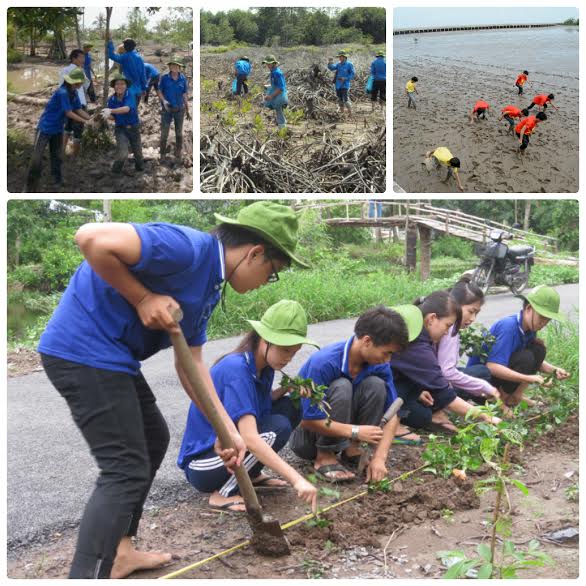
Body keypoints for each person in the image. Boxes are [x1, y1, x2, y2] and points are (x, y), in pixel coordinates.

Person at [37, 201, 309, 578]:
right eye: (273, 273)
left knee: (152, 439)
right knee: (124, 469)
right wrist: (142, 297)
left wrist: (225, 428)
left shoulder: (210, 286)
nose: (268, 282)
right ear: (255, 253)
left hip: (115, 359)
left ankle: (121, 551)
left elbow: (191, 363)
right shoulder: (186, 248)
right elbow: (91, 238)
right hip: (82, 351)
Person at [179, 300, 319, 513]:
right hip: (203, 463)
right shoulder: (237, 370)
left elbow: (257, 406)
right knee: (277, 428)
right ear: (264, 340)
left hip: (231, 452)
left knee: (291, 406)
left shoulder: (264, 366)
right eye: (285, 350)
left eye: (294, 352)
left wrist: (286, 389)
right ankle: (222, 494)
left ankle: (251, 474)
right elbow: (251, 438)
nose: (288, 358)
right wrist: (297, 479)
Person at [290, 305, 421, 483]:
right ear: (367, 341)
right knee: (342, 386)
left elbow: (393, 413)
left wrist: (379, 458)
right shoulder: (324, 363)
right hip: (308, 440)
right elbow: (308, 420)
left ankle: (352, 450)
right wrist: (355, 431)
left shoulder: (379, 365)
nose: (388, 359)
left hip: (346, 433)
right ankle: (325, 455)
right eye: (387, 352)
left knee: (376, 385)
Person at [391, 291, 501, 434]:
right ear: (432, 319)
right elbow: (445, 395)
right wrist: (486, 416)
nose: (446, 333)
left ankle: (399, 416)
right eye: (448, 326)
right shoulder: (417, 344)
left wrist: (417, 393)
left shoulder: (420, 332)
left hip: (392, 385)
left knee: (423, 416)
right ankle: (392, 425)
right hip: (378, 391)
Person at [467, 285, 570, 409]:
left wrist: (554, 370)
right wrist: (528, 379)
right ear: (528, 309)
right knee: (525, 357)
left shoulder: (530, 328)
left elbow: (534, 360)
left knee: (538, 349)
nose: (544, 323)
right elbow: (493, 367)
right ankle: (502, 400)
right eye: (542, 317)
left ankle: (515, 396)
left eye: (547, 320)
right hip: (480, 386)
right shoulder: (509, 327)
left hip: (495, 378)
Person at [25, 67, 90, 192]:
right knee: (36, 158)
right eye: (81, 82)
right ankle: (30, 186)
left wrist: (91, 119)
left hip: (57, 129)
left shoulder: (74, 93)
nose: (82, 84)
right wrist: (85, 121)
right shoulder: (63, 92)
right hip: (45, 128)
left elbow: (78, 109)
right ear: (75, 82)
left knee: (57, 156)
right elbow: (69, 113)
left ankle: (57, 180)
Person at [438, 278, 500, 404]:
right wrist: (484, 386)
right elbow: (447, 372)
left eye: (476, 314)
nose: (472, 319)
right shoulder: (450, 329)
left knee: (478, 373)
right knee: (482, 374)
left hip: (434, 379)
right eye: (471, 312)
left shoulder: (444, 321)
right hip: (434, 384)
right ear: (455, 304)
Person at [104, 73, 144, 174]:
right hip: (120, 129)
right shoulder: (111, 100)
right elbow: (113, 117)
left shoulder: (130, 95)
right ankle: (115, 171)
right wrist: (106, 116)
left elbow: (126, 109)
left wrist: (111, 111)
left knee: (138, 153)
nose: (120, 86)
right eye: (117, 84)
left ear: (126, 86)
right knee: (122, 153)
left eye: (122, 84)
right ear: (114, 86)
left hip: (134, 127)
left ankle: (140, 169)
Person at [156, 57, 190, 162]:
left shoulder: (183, 79)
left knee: (179, 132)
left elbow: (184, 94)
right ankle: (162, 153)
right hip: (167, 109)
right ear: (169, 67)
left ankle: (178, 152)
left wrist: (187, 109)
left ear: (179, 68)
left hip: (179, 109)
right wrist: (164, 101)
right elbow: (159, 91)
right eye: (172, 65)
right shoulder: (165, 78)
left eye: (176, 66)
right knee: (164, 132)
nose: (174, 67)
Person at [59, 49, 91, 156]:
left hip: (69, 102)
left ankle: (62, 151)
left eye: (84, 57)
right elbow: (86, 84)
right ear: (73, 58)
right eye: (81, 57)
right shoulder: (79, 70)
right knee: (78, 130)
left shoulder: (65, 70)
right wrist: (88, 120)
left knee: (67, 127)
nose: (83, 59)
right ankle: (75, 156)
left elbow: (61, 86)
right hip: (79, 102)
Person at [107, 36, 147, 106]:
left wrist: (110, 41)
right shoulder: (139, 57)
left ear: (126, 47)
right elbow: (143, 75)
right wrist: (144, 88)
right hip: (138, 90)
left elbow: (111, 55)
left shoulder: (125, 57)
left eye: (125, 45)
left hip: (129, 90)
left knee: (128, 108)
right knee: (134, 108)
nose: (124, 46)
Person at [262, 55, 288, 130]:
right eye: (267, 63)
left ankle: (282, 130)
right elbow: (276, 85)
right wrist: (269, 86)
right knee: (279, 111)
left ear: (274, 63)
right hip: (278, 95)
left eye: (269, 63)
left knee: (279, 111)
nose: (267, 65)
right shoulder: (273, 72)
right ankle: (282, 127)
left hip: (280, 96)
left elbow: (281, 88)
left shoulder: (277, 73)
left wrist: (271, 96)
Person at [327, 50, 355, 117]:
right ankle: (342, 114)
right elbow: (332, 68)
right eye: (339, 57)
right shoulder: (338, 64)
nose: (339, 58)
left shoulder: (349, 64)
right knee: (340, 99)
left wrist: (345, 78)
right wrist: (330, 62)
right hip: (338, 85)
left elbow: (352, 74)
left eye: (340, 57)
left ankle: (350, 114)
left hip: (345, 85)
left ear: (344, 57)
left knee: (346, 99)